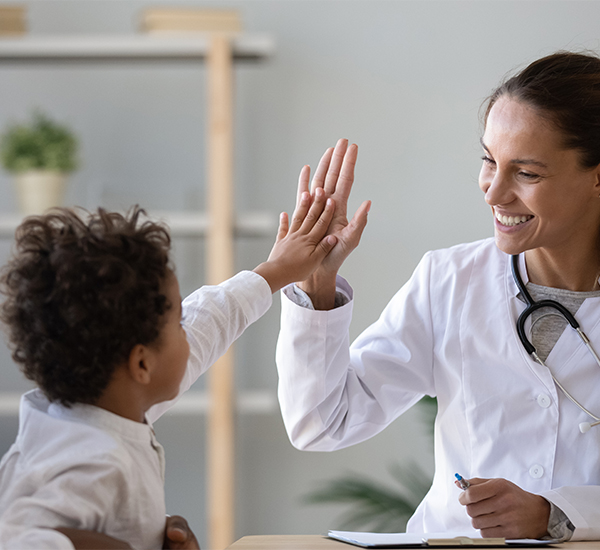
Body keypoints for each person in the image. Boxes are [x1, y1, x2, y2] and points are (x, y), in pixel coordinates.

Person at [276, 51, 600, 542]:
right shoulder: (449, 281)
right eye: (489, 161)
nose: (493, 192)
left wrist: (559, 514)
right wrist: (315, 285)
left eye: (527, 174)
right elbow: (323, 424)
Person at [0, 181, 338, 550]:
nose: (187, 332)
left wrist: (274, 272)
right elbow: (15, 535)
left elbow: (205, 323)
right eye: (178, 323)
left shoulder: (97, 411)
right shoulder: (89, 461)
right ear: (142, 364)